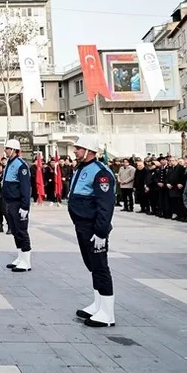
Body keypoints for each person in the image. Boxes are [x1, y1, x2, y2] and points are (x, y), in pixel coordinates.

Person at [68, 135, 116, 328]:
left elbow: (105, 205)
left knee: (100, 266)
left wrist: (101, 233)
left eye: (78, 148)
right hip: (82, 225)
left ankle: (107, 313)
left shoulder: (101, 173)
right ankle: (98, 304)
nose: (75, 151)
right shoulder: (81, 168)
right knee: (92, 265)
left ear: (88, 151)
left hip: (94, 228)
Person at [2, 139, 32, 272]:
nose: (6, 151)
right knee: (15, 230)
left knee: (21, 230)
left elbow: (25, 188)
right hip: (9, 202)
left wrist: (25, 206)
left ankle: (26, 261)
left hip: (18, 202)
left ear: (14, 150)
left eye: (8, 148)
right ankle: (20, 257)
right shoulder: (9, 163)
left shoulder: (21, 165)